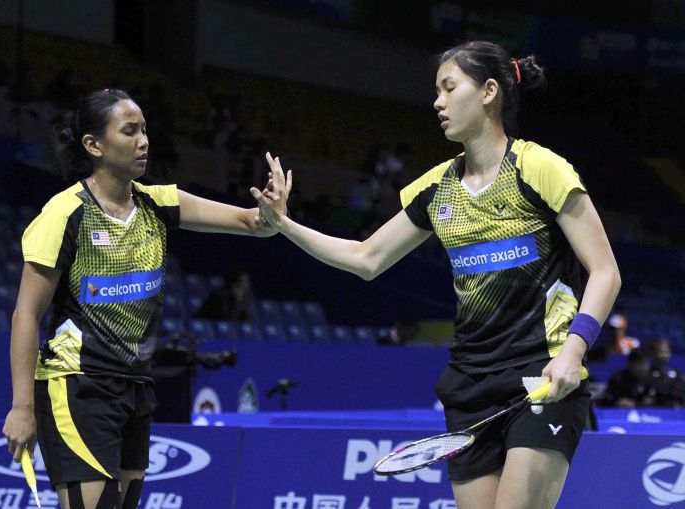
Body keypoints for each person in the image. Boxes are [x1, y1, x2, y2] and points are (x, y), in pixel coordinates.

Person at [252, 41, 621, 509]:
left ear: (489, 92)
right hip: (469, 384)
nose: (437, 102)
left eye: (449, 88)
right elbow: (367, 258)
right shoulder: (435, 188)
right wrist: (285, 224)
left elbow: (605, 272)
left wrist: (574, 350)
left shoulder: (538, 168)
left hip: (542, 375)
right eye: (437, 91)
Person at [2, 89, 285, 509]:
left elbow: (252, 223)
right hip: (79, 384)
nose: (143, 141)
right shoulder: (64, 214)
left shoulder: (158, 203)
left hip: (136, 382)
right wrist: (22, 405)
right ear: (93, 145)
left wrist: (273, 211)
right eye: (130, 131)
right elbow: (26, 313)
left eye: (145, 131)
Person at [647, 337, 685, 407]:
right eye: (660, 352)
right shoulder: (646, 373)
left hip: (672, 411)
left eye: (666, 352)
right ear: (652, 353)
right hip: (651, 410)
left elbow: (681, 392)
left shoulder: (677, 373)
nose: (664, 355)